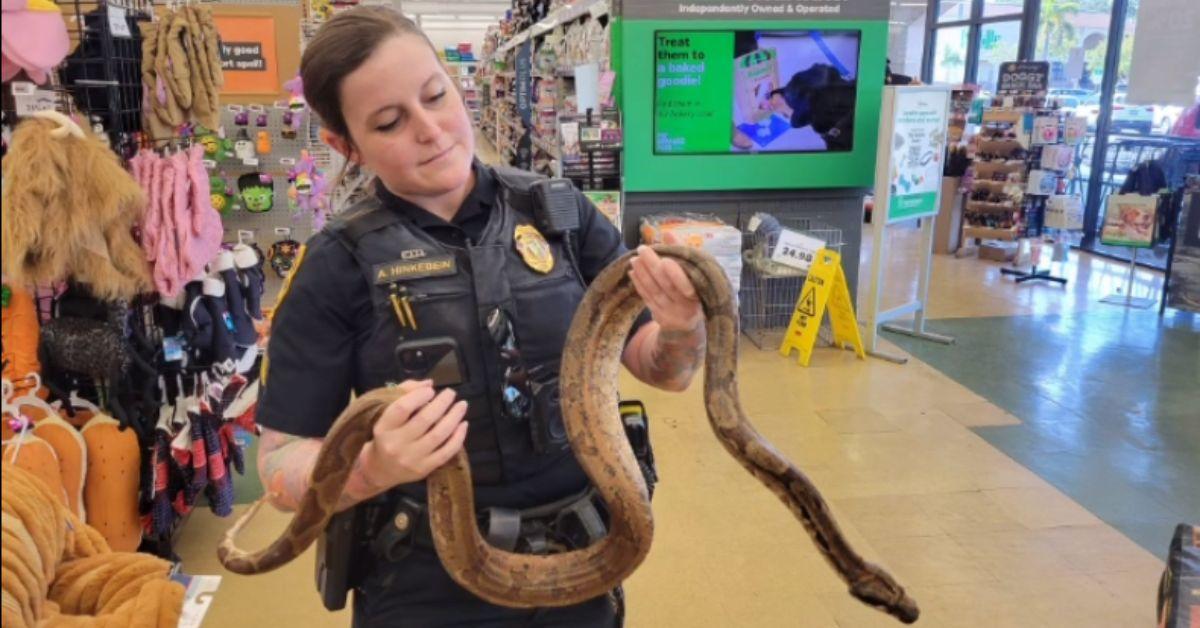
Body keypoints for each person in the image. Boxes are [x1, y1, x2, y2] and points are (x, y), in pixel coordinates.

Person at [254, 6, 706, 627]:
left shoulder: (562, 214)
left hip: (586, 565)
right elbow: (279, 465)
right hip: (423, 585)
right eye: (389, 122)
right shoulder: (335, 265)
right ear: (344, 145)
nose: (431, 129)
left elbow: (665, 368)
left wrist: (682, 323)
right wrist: (369, 468)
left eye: (436, 95)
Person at [766, 63, 857, 151]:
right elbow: (812, 84)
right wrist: (781, 94)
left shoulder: (842, 143)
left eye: (785, 115)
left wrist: (789, 111)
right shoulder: (846, 89)